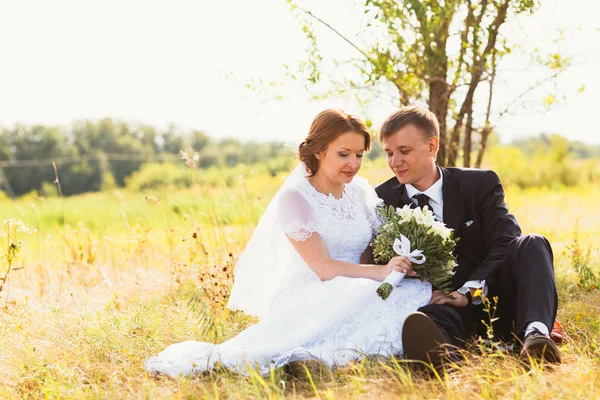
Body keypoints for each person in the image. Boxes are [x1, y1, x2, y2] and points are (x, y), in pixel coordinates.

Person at [144, 109, 432, 377]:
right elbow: (322, 268)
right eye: (343, 154)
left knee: (408, 291)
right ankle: (311, 359)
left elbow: (369, 250)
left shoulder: (360, 191)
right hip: (313, 289)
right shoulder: (296, 197)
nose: (353, 164)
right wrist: (380, 274)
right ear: (319, 151)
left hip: (359, 284)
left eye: (359, 155)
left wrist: (390, 270)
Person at [375, 106, 561, 367]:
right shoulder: (382, 200)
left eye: (404, 151)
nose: (395, 162)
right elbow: (376, 257)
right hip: (438, 304)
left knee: (532, 243)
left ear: (432, 145)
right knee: (428, 319)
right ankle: (437, 357)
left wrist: (468, 291)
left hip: (492, 295)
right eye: (389, 153)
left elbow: (505, 241)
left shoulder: (479, 183)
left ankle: (536, 336)